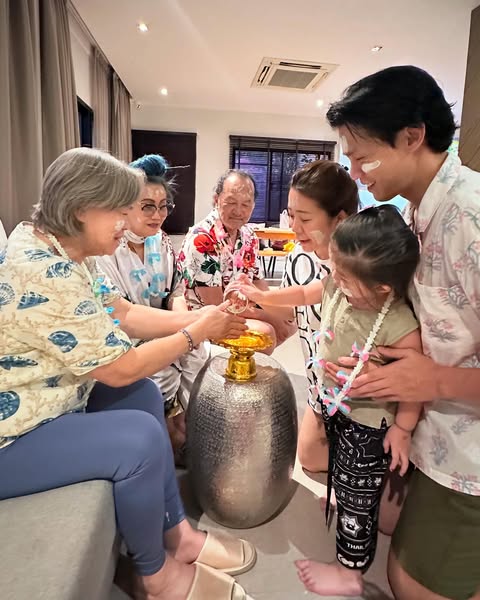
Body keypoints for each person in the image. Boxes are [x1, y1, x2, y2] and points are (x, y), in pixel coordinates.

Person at [0, 148, 256, 600]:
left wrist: (201, 318)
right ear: (81, 208)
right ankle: (155, 577)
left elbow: (123, 313)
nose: (127, 222)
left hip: (54, 396)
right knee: (139, 437)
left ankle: (178, 534)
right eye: (120, 211)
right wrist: (197, 332)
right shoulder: (46, 272)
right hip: (13, 435)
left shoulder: (63, 245)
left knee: (143, 394)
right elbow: (119, 368)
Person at [325, 65, 480, 600]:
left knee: (411, 583)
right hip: (424, 429)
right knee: (388, 529)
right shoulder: (415, 214)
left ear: (412, 137)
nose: (354, 172)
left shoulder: (470, 218)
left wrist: (432, 380)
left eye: (363, 156)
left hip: (467, 448)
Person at [236, 205, 422, 597]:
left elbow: (414, 385)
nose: (334, 278)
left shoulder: (399, 324)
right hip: (336, 407)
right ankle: (344, 491)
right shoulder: (338, 285)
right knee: (340, 467)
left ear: (382, 289)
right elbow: (306, 293)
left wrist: (404, 429)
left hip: (370, 424)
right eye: (334, 269)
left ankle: (349, 572)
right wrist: (261, 295)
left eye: (344, 276)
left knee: (358, 506)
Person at [97, 154, 206, 461]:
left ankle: (187, 428)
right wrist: (185, 329)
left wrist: (186, 322)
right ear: (124, 205)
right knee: (162, 375)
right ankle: (164, 438)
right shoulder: (107, 249)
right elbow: (121, 315)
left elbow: (175, 291)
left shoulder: (162, 242)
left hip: (164, 326)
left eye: (163, 206)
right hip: (126, 336)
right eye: (147, 206)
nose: (157, 214)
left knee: (199, 355)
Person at [280, 160, 359, 473]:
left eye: (304, 218)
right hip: (320, 388)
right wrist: (246, 299)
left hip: (359, 394)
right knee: (310, 458)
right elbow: (289, 309)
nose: (293, 227)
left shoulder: (363, 265)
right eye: (291, 215)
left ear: (340, 219)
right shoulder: (298, 255)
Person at [177, 169, 297, 352]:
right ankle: (227, 365)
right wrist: (266, 316)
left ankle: (241, 363)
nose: (239, 211)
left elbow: (257, 281)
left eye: (246, 204)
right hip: (206, 316)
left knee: (291, 322)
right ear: (216, 200)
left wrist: (275, 310)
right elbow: (216, 305)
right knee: (266, 333)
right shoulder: (202, 239)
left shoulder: (248, 235)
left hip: (239, 307)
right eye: (231, 202)